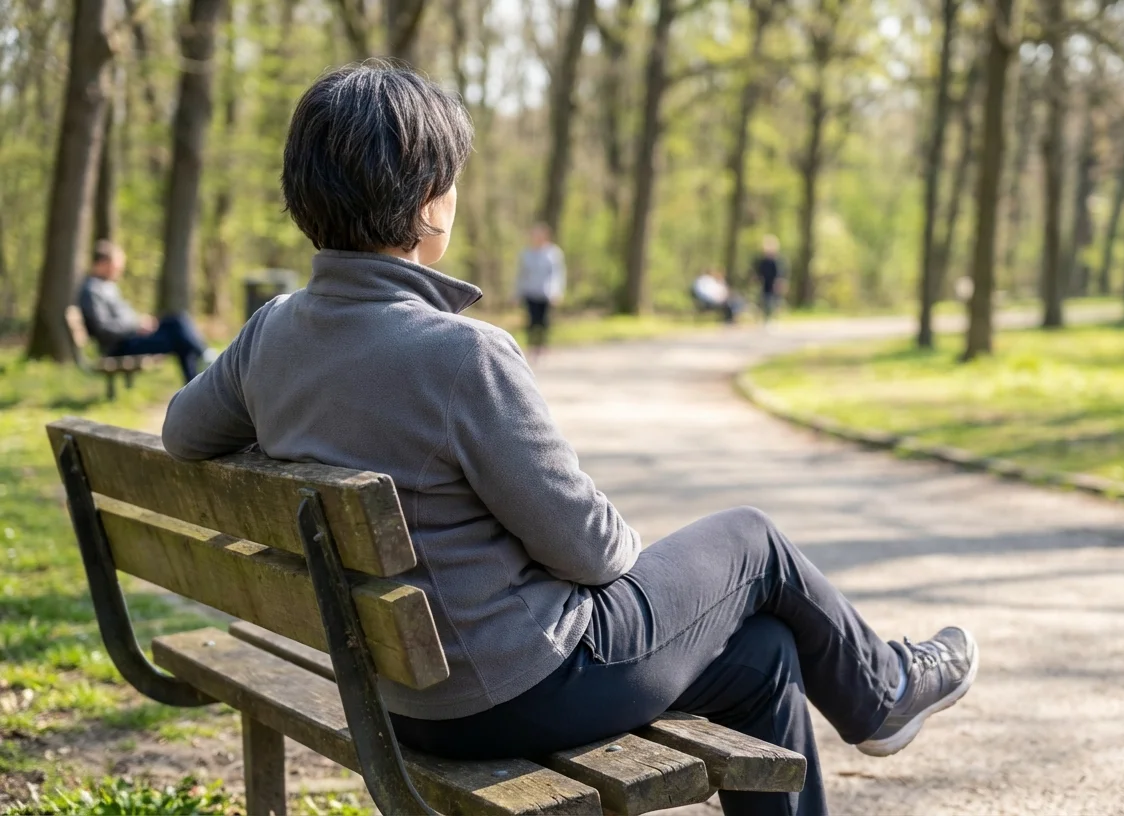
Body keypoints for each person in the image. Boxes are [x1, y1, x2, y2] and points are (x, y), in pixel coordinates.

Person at [159, 64, 979, 816]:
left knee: (765, 655)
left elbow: (182, 432)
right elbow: (592, 555)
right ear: (429, 204)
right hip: (513, 689)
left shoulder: (272, 336)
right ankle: (883, 688)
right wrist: (624, 545)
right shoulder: (461, 355)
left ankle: (880, 689)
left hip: (397, 691)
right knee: (754, 541)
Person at [77, 240, 212, 383]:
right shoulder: (92, 291)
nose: (120, 269)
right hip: (120, 346)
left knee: (177, 320)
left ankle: (201, 364)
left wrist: (142, 322)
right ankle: (201, 370)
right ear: (103, 263)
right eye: (117, 265)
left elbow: (122, 318)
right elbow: (104, 329)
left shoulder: (106, 286)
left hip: (131, 338)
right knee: (179, 338)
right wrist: (136, 325)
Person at [516, 223, 566, 363]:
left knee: (544, 321)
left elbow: (557, 274)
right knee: (531, 321)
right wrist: (517, 293)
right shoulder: (526, 254)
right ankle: (531, 346)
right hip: (530, 292)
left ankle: (543, 346)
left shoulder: (553, 253)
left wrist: (556, 292)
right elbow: (521, 275)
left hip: (546, 293)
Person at [753, 234, 788, 323]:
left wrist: (780, 282)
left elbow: (781, 273)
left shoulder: (778, 261)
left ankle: (774, 318)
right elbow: (759, 272)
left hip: (775, 284)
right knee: (765, 301)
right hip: (765, 284)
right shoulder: (762, 261)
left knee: (775, 302)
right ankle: (766, 318)